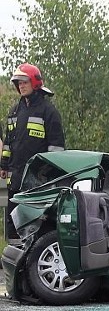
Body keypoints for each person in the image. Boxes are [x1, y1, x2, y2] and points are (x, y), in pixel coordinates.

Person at [2, 63, 66, 239]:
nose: (21, 86)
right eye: (18, 83)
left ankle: (30, 259)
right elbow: (8, 142)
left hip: (37, 179)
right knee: (12, 218)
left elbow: (56, 149)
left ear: (34, 83)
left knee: (34, 222)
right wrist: (4, 165)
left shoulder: (49, 112)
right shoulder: (14, 111)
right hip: (15, 176)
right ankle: (12, 259)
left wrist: (49, 174)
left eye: (24, 82)